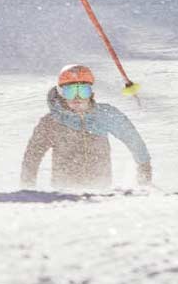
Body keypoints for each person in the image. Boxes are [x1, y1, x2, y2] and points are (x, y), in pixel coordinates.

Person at [20, 64, 152, 190]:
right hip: (64, 191)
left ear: (91, 93)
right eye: (70, 92)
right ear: (61, 94)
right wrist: (27, 186)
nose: (77, 97)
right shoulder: (52, 122)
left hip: (101, 190)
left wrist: (144, 167)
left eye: (83, 91)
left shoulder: (104, 115)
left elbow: (133, 139)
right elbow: (32, 155)